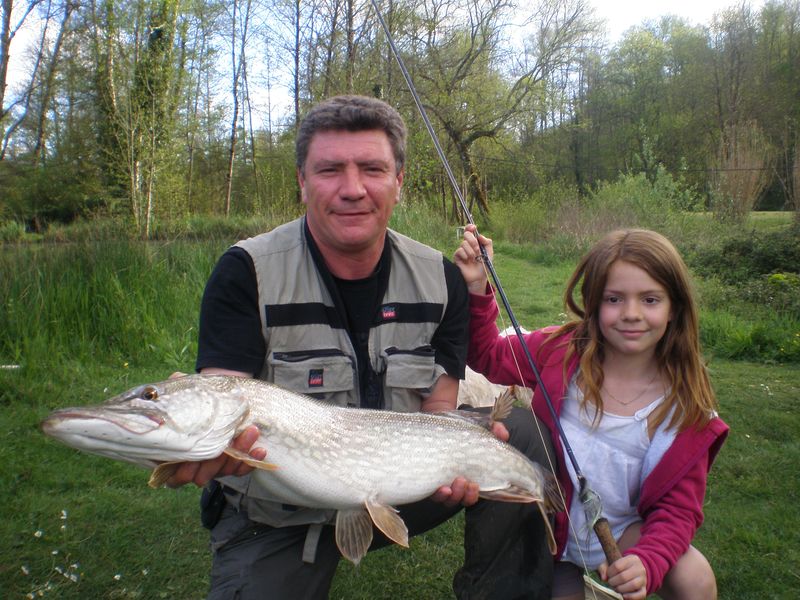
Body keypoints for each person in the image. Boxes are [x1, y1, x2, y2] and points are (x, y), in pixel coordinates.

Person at [167, 95, 555, 599]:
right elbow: (228, 401)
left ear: (399, 182)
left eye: (372, 168)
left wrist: (456, 466)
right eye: (329, 170)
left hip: (402, 484)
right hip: (280, 512)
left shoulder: (441, 280)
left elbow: (439, 409)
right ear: (303, 183)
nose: (352, 189)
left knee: (520, 434)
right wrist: (197, 436)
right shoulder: (246, 272)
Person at [454, 226, 729, 600]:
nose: (631, 314)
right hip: (552, 528)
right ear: (593, 302)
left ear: (674, 308)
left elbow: (678, 513)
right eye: (615, 299)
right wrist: (477, 286)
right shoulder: (561, 350)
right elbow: (487, 355)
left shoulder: (686, 411)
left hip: (620, 529)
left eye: (650, 300)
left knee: (696, 579)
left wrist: (648, 561)